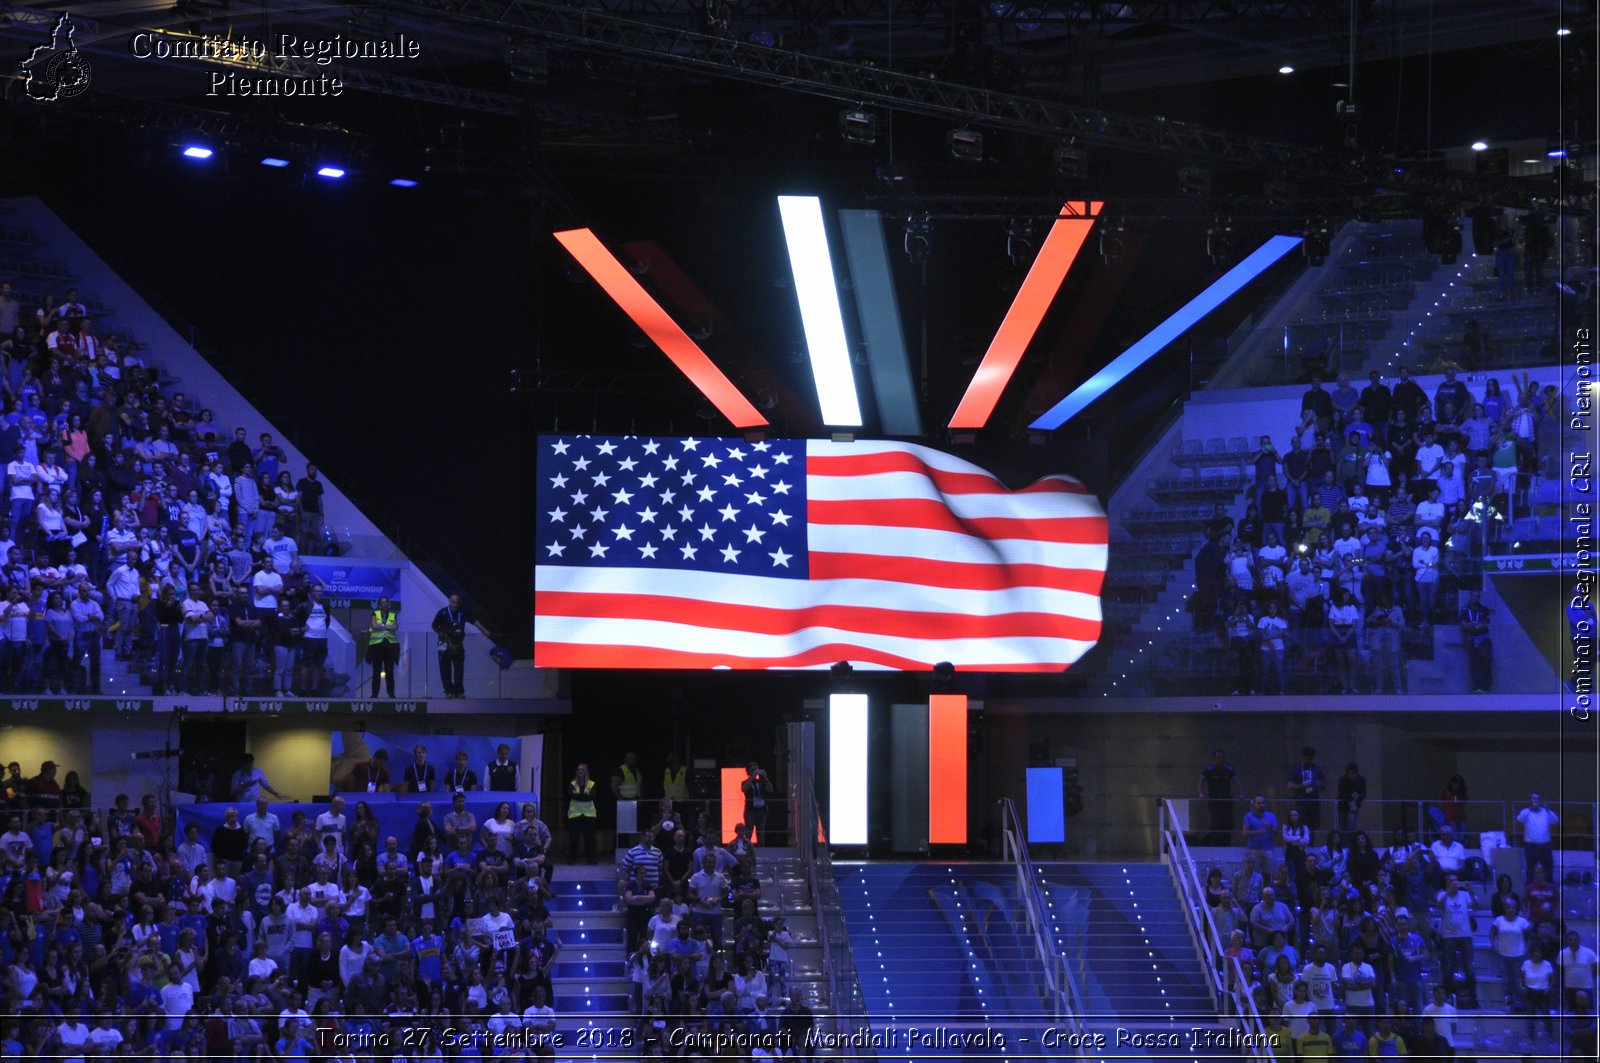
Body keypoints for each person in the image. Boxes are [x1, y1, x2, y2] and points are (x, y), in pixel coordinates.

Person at [1198, 749, 1242, 847]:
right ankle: (1215, 845)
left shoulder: (1228, 769)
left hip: (1227, 802)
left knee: (1228, 823)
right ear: (1214, 759)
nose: (1220, 760)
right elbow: (1201, 780)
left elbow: (1237, 781)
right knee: (1216, 823)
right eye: (1218, 758)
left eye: (1222, 758)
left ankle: (1227, 845)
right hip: (1214, 802)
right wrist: (1201, 793)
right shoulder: (1209, 769)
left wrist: (1241, 793)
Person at [431, 593, 469, 698]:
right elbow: (434, 625)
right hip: (444, 643)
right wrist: (441, 632)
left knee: (459, 669)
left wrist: (485, 631)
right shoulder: (442, 612)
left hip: (457, 643)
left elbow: (474, 621)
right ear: (449, 601)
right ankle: (449, 691)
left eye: (457, 602)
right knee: (445, 669)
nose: (455, 604)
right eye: (453, 601)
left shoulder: (462, 613)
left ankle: (459, 691)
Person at [1515, 793, 1559, 883]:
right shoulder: (1526, 812)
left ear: (1540, 801)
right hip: (1531, 846)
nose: (1535, 800)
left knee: (1548, 867)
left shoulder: (1545, 812)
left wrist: (1548, 810)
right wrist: (1529, 810)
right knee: (1530, 868)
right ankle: (1529, 888)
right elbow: (1519, 819)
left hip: (1545, 845)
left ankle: (1549, 887)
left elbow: (1555, 820)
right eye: (1533, 799)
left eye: (1537, 799)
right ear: (1530, 801)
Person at [1459, 589, 1493, 692]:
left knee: (1486, 662)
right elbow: (1463, 625)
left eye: (1477, 596)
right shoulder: (1464, 609)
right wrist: (1475, 626)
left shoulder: (1484, 609)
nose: (1475, 598)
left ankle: (1485, 687)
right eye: (1474, 596)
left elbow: (1485, 624)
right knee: (1474, 664)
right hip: (1471, 639)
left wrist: (1475, 625)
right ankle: (1477, 687)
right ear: (1470, 596)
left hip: (1483, 639)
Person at [366, 595, 399, 698]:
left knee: (390, 671)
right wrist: (387, 627)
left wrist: (382, 626)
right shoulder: (375, 613)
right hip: (377, 646)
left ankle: (391, 693)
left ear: (389, 604)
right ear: (380, 604)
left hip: (390, 646)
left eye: (386, 602)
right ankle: (374, 694)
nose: (385, 604)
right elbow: (374, 626)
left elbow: (395, 627)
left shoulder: (393, 614)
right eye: (382, 602)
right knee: (376, 670)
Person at [1286, 748, 1325, 832]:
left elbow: (1324, 785)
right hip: (1301, 802)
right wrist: (1301, 786)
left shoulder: (1317, 769)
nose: (1308, 761)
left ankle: (1311, 844)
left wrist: (1316, 783)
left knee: (1313, 827)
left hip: (1314, 802)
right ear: (1302, 758)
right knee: (1301, 825)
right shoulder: (1296, 769)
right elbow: (1289, 786)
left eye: (1310, 760)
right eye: (1306, 759)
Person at [567, 763, 597, 863]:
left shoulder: (591, 784)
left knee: (589, 839)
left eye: (582, 769)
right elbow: (571, 796)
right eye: (578, 769)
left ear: (586, 771)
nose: (580, 771)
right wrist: (584, 796)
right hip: (575, 814)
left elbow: (592, 797)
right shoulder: (572, 783)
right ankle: (572, 858)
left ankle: (591, 858)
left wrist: (578, 796)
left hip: (589, 815)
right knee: (574, 838)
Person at [741, 761, 770, 845]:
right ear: (748, 771)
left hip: (761, 810)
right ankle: (747, 851)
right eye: (753, 770)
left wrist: (765, 777)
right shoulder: (745, 782)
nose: (755, 771)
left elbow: (770, 789)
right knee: (748, 833)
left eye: (756, 769)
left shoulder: (761, 782)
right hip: (750, 811)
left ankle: (762, 852)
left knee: (761, 833)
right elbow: (743, 789)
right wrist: (752, 777)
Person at [1335, 763, 1366, 833]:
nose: (1353, 776)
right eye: (1351, 774)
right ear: (1347, 774)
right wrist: (1351, 796)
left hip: (1354, 806)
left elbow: (1363, 794)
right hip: (1342, 806)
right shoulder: (1342, 779)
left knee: (1352, 826)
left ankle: (1351, 843)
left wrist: (1358, 797)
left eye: (1355, 774)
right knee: (1342, 827)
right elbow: (1341, 793)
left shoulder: (1361, 779)